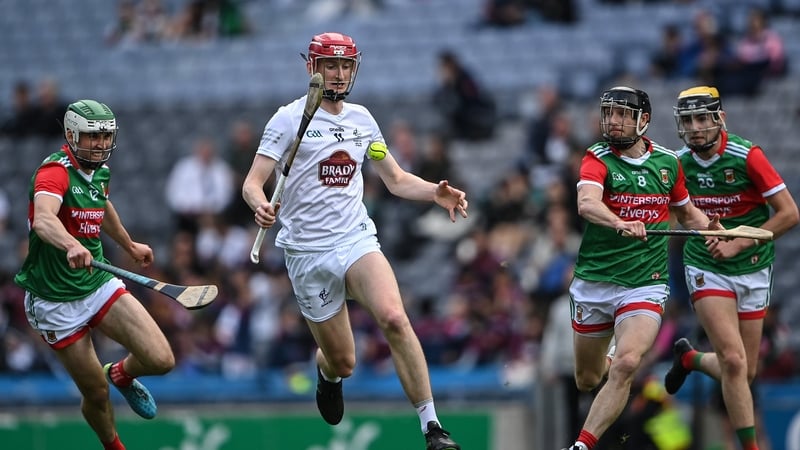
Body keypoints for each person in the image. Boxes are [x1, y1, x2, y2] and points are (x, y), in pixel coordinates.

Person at [242, 32, 467, 450]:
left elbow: (395, 179)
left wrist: (434, 192)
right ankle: (327, 376)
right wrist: (260, 205)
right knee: (344, 361)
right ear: (312, 68)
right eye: (331, 65)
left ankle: (433, 428)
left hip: (354, 239)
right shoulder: (287, 120)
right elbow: (253, 183)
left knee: (395, 318)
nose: (340, 74)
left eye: (346, 66)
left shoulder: (363, 121)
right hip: (306, 254)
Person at [560, 86, 723, 450]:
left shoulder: (667, 163)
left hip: (645, 283)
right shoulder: (596, 158)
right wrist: (617, 221)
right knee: (587, 379)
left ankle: (581, 446)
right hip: (595, 282)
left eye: (623, 114)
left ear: (643, 120)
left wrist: (711, 228)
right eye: (610, 113)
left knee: (628, 361)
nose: (614, 121)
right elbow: (586, 204)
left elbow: (686, 213)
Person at [13, 100, 175, 450]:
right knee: (96, 394)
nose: (101, 144)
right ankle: (114, 446)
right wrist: (70, 244)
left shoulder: (99, 171)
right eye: (92, 136)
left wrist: (129, 245)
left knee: (161, 360)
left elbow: (102, 203)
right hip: (53, 300)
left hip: (96, 284)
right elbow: (43, 219)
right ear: (71, 135)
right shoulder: (54, 172)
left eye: (106, 136)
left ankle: (120, 373)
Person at [663, 86, 799, 450]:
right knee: (735, 361)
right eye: (687, 120)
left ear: (719, 119)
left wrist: (738, 241)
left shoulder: (747, 156)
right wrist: (703, 228)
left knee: (745, 371)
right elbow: (677, 213)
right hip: (706, 264)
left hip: (753, 266)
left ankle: (689, 357)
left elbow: (790, 215)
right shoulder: (677, 163)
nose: (693, 127)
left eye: (700, 118)